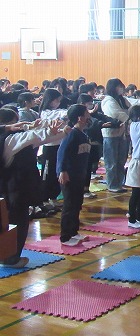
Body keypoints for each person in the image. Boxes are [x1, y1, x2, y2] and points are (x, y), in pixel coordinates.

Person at [0, 112, 68, 267]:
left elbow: (35, 136)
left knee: (6, 222)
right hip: (15, 190)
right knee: (18, 222)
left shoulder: (8, 139)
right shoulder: (12, 140)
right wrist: (50, 130)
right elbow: (33, 137)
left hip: (6, 189)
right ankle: (11, 258)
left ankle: (7, 256)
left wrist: (52, 131)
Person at [57, 104, 92, 246]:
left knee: (77, 204)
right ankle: (65, 237)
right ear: (80, 118)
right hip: (69, 176)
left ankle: (74, 232)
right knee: (69, 205)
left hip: (79, 175)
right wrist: (62, 171)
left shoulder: (83, 135)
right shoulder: (72, 134)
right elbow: (62, 153)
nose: (89, 115)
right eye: (87, 113)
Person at [101, 78, 130, 193]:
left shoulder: (121, 99)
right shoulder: (108, 100)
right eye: (119, 86)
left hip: (122, 133)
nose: (121, 89)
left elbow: (130, 109)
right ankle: (112, 184)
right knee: (111, 161)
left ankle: (119, 183)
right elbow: (117, 114)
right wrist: (130, 119)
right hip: (110, 134)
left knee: (121, 160)